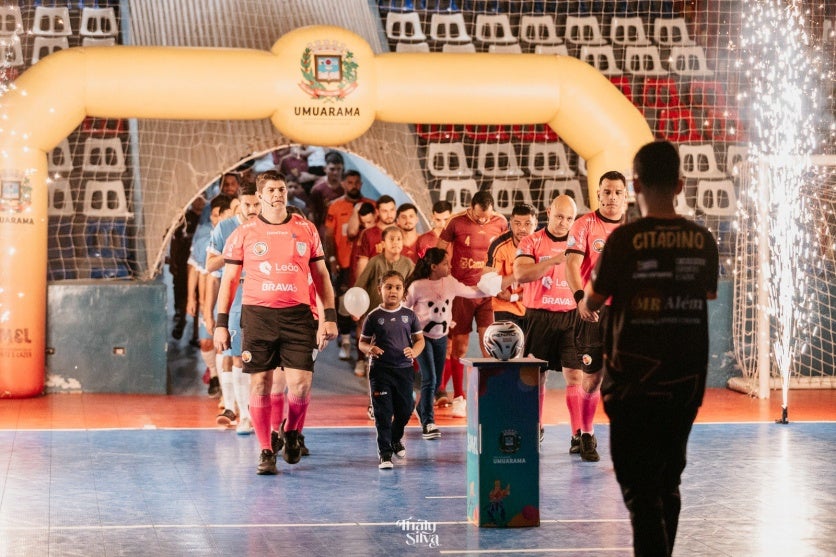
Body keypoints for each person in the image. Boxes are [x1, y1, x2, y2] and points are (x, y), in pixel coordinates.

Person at [581, 140, 718, 557]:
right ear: (680, 184)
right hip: (685, 380)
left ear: (634, 184)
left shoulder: (623, 241)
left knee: (641, 493)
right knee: (667, 482)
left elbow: (592, 300)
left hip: (632, 382)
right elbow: (707, 293)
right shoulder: (701, 240)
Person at [213, 170, 338, 475]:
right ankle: (266, 450)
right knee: (260, 383)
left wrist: (329, 317)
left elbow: (321, 276)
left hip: (297, 316)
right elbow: (229, 280)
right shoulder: (244, 233)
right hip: (258, 316)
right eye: (270, 190)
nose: (278, 194)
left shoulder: (306, 229)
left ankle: (293, 431)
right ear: (260, 196)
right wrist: (220, 323)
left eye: (281, 189)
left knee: (301, 384)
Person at [565, 170, 629, 462]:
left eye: (618, 192)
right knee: (591, 379)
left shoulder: (635, 228)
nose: (612, 197)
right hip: (595, 310)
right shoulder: (584, 224)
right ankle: (586, 434)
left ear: (625, 196)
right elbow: (572, 265)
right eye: (607, 191)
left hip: (628, 313)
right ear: (598, 194)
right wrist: (581, 299)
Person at [405, 248, 495, 440]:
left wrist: (491, 287)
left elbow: (472, 292)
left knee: (437, 381)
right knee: (429, 378)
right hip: (421, 337)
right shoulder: (417, 286)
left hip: (441, 336)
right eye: (446, 263)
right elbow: (405, 310)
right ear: (433, 266)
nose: (450, 266)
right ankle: (429, 422)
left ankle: (421, 409)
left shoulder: (451, 282)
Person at [513, 194, 580, 448]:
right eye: (560, 216)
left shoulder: (579, 243)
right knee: (534, 375)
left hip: (572, 317)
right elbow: (521, 273)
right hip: (539, 317)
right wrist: (553, 261)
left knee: (575, 375)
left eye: (570, 218)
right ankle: (534, 427)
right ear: (549, 211)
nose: (564, 222)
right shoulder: (532, 241)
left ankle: (578, 435)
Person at [435, 190, 507, 418]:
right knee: (460, 347)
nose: (483, 220)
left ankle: (492, 396)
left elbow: (509, 251)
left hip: (487, 293)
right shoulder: (456, 222)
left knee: (490, 345)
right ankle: (459, 397)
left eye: (486, 216)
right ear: (471, 208)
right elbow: (438, 251)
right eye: (478, 216)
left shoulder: (502, 222)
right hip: (461, 293)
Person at [205, 182, 260, 434]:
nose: (252, 209)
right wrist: (234, 256)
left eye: (256, 204)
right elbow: (209, 265)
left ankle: (261, 413)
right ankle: (243, 415)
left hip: (263, 298)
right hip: (236, 301)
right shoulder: (225, 228)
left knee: (262, 361)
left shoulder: (267, 225)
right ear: (239, 202)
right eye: (247, 204)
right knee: (237, 357)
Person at [358, 270, 425, 469]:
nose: (393, 291)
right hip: (380, 372)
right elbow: (362, 343)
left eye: (397, 287)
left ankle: (396, 439)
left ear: (403, 291)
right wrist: (370, 349)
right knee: (383, 413)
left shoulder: (409, 316)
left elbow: (419, 340)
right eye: (388, 287)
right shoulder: (373, 317)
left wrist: (414, 351)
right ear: (380, 290)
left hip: (404, 371)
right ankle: (385, 454)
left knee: (405, 410)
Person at [324, 170, 375, 362]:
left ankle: (362, 345)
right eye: (350, 182)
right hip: (345, 262)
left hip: (365, 263)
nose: (353, 185)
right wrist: (332, 260)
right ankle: (345, 340)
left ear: (361, 184)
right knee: (345, 304)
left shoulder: (372, 205)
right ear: (344, 184)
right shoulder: (335, 206)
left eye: (356, 182)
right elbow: (329, 235)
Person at [187, 193, 234, 397]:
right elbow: (198, 271)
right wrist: (193, 299)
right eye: (212, 216)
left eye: (218, 215)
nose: (214, 219)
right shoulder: (205, 238)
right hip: (209, 301)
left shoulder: (238, 237)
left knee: (226, 348)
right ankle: (214, 376)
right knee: (207, 343)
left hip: (232, 302)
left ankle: (228, 395)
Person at [485, 203, 538, 329]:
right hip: (505, 307)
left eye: (527, 224)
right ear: (510, 223)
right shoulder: (499, 245)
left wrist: (514, 296)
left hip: (532, 306)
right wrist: (520, 273)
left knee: (533, 348)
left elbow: (543, 289)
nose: (522, 229)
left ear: (535, 224)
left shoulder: (543, 246)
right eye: (517, 223)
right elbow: (490, 284)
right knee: (508, 348)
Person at [169, 196, 204, 340]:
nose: (199, 202)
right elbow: (174, 241)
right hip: (183, 264)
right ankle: (181, 322)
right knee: (182, 296)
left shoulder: (206, 220)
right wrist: (173, 261)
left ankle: (196, 335)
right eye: (197, 199)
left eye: (202, 199)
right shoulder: (184, 218)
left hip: (200, 264)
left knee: (200, 297)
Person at [355, 195, 398, 278]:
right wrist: (360, 288)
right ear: (377, 212)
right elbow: (362, 263)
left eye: (392, 210)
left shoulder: (403, 232)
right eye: (385, 211)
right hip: (375, 282)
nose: (389, 214)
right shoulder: (368, 233)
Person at [308, 150, 345, 230]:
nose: (336, 172)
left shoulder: (346, 187)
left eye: (339, 169)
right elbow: (312, 213)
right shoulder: (317, 189)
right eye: (332, 169)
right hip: (324, 227)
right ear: (325, 169)